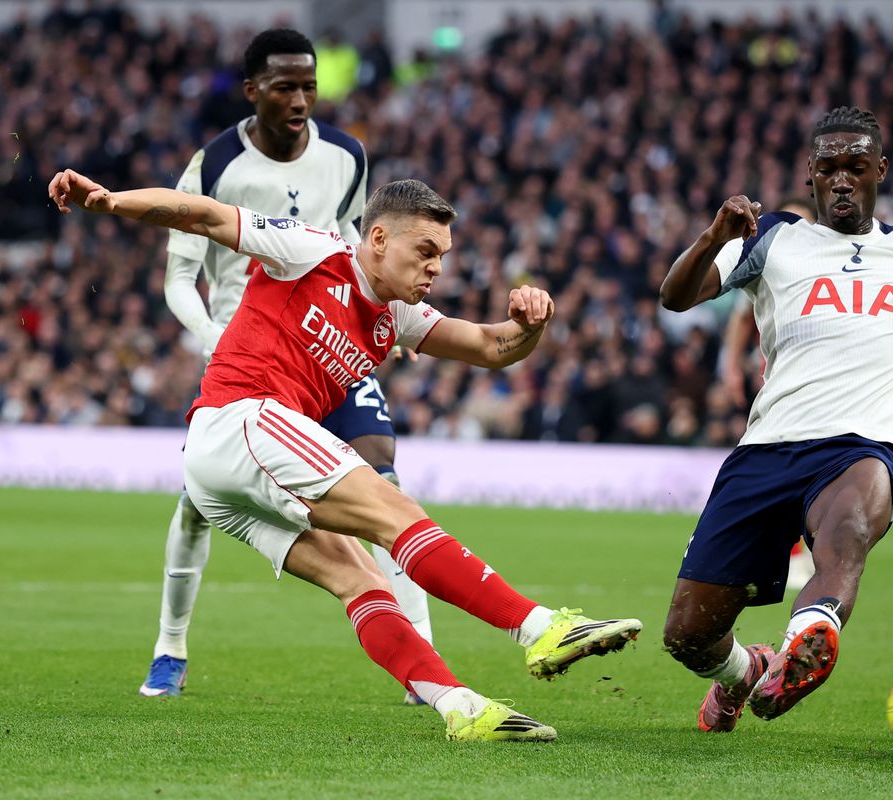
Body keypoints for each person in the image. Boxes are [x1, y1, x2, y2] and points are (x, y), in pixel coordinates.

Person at [50, 170, 642, 742]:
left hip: (223, 474)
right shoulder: (312, 250)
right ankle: (539, 628)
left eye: (444, 254)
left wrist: (531, 323)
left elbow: (490, 346)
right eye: (426, 249)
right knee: (393, 510)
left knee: (358, 579)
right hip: (242, 418)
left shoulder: (397, 315)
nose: (437, 266)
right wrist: (110, 202)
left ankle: (458, 704)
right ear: (379, 238)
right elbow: (202, 214)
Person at [658, 107, 893, 733]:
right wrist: (712, 235)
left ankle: (810, 638)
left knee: (845, 540)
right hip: (767, 449)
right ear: (811, 176)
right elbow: (676, 297)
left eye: (856, 167)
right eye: (829, 168)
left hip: (861, 446)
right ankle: (746, 672)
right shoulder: (774, 239)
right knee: (687, 634)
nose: (843, 179)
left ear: (880, 173)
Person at [145, 29, 434, 704]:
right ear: (252, 92)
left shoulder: (346, 156)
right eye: (285, 87)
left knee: (386, 479)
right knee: (196, 504)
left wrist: (391, 312)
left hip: (328, 343)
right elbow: (179, 278)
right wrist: (213, 338)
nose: (301, 98)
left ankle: (421, 663)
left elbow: (362, 244)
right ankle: (170, 647)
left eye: (309, 85)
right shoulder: (215, 164)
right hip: (248, 359)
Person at [718, 196, 818, 591]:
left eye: (803, 222)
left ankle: (805, 554)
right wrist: (729, 367)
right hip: (780, 388)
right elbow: (742, 320)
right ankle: (791, 554)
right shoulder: (773, 262)